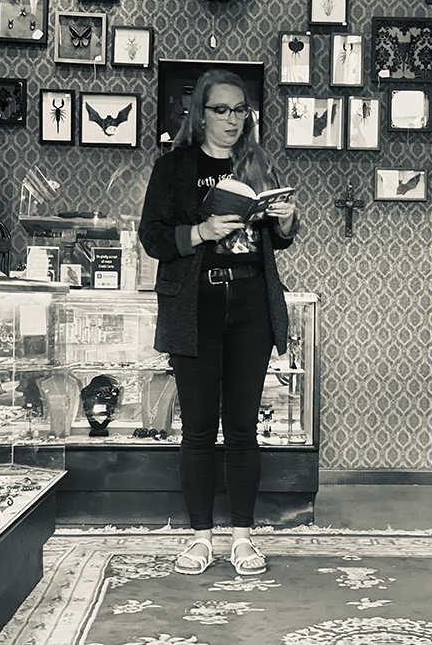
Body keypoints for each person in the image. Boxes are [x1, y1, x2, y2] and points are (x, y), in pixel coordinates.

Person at [139, 69, 299, 576]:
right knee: (199, 429)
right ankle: (200, 538)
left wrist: (286, 220)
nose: (232, 120)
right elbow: (153, 237)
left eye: (240, 111)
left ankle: (243, 538)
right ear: (200, 114)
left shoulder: (258, 165)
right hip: (196, 306)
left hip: (251, 305)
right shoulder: (173, 167)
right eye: (222, 110)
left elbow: (278, 238)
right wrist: (200, 231)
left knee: (244, 428)